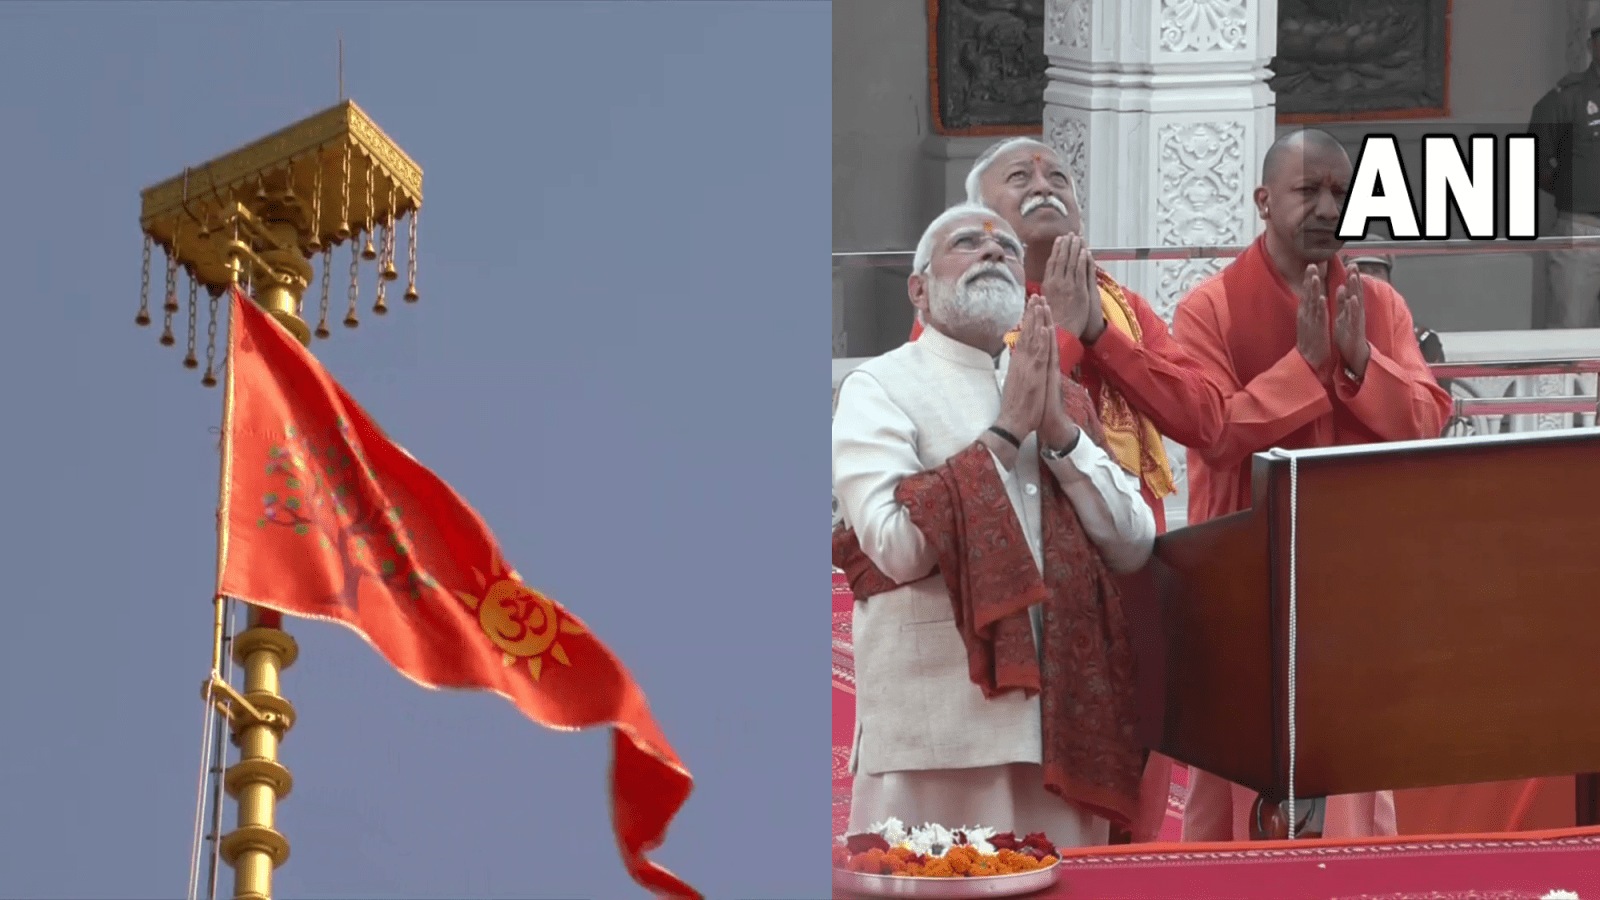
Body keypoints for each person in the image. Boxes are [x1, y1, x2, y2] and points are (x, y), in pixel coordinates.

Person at [909, 136, 1227, 842]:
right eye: (1018, 177)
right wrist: (1068, 333)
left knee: (1141, 768)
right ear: (974, 213)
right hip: (1028, 590)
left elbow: (1205, 418)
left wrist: (1099, 333)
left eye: (1059, 177)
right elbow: (993, 421)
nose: (1044, 185)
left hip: (1133, 573)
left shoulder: (1120, 307)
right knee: (1035, 801)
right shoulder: (960, 310)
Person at [832, 203, 1156, 848]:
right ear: (918, 289)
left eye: (1007, 248)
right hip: (936, 730)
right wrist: (1007, 434)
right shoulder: (880, 386)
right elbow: (895, 548)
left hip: (1060, 730)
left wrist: (1058, 431)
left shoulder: (1061, 397)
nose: (993, 253)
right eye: (966, 244)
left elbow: (1133, 541)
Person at [1171, 129, 1453, 842]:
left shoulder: (1378, 305)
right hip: (1245, 577)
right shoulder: (1210, 309)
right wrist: (1304, 369)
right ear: (1264, 200)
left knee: (1357, 770)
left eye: (1340, 191)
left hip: (1354, 579)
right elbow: (1216, 432)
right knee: (1233, 776)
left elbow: (1426, 422)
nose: (1328, 207)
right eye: (1308, 191)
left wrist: (1361, 366)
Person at [1528, 25, 1600, 329]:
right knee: (1569, 339)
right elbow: (1531, 162)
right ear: (1592, 45)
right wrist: (1574, 188)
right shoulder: (1566, 98)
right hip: (1581, 230)